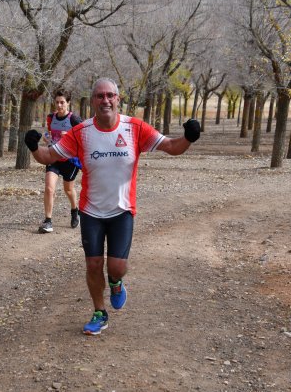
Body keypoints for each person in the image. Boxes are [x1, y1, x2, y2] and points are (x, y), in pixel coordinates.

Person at [24, 78, 200, 335]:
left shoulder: (134, 127)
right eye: (99, 96)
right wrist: (32, 146)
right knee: (94, 264)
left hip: (122, 210)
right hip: (91, 210)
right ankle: (99, 312)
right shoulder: (81, 131)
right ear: (93, 101)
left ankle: (116, 283)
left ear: (118, 99)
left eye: (110, 96)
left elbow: (171, 146)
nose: (105, 100)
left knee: (116, 267)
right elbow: (49, 156)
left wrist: (189, 137)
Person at [37, 89, 83, 233]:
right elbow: (49, 132)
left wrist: (70, 135)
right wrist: (46, 136)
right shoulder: (51, 118)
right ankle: (48, 221)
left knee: (68, 190)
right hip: (54, 156)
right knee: (49, 188)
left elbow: (85, 136)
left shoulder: (74, 119)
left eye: (62, 102)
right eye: (57, 102)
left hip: (70, 160)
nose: (59, 105)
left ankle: (75, 210)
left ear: (68, 103)